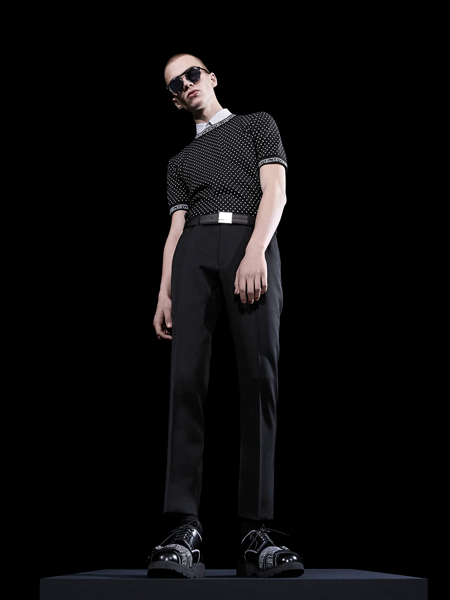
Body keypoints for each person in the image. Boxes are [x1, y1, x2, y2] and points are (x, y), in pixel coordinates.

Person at [148, 53, 304, 579]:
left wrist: (256, 250)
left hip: (247, 239)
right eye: (176, 84)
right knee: (185, 380)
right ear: (175, 100)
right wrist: (164, 292)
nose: (186, 84)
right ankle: (184, 527)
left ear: (211, 77)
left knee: (258, 378)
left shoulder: (257, 124)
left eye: (193, 73)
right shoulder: (178, 162)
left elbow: (276, 190)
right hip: (194, 251)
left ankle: (256, 530)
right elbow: (173, 232)